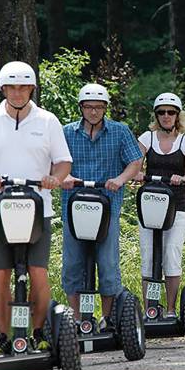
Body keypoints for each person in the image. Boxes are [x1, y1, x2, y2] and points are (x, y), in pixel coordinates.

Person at [0, 61, 72, 356]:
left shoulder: (48, 121)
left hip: (37, 209)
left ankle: (37, 334)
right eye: (12, 87)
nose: (18, 92)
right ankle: (2, 337)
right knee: (0, 273)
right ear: (3, 88)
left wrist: (55, 178)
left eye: (24, 87)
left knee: (37, 272)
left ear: (32, 89)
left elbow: (63, 162)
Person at [61, 83, 142, 330]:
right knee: (73, 264)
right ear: (81, 108)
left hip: (107, 209)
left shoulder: (119, 132)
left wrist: (120, 179)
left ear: (105, 108)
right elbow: (53, 161)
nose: (93, 112)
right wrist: (61, 177)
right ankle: (77, 319)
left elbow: (135, 161)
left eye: (98, 107)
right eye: (88, 107)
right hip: (73, 209)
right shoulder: (66, 133)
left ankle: (107, 319)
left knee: (107, 265)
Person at [135, 92, 185, 318]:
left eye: (171, 112)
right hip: (150, 204)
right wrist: (137, 173)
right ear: (156, 116)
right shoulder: (146, 138)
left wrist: (182, 178)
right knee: (149, 256)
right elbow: (135, 164)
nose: (166, 116)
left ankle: (170, 309)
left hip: (177, 206)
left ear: (178, 115)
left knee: (171, 253)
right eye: (162, 112)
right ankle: (151, 309)